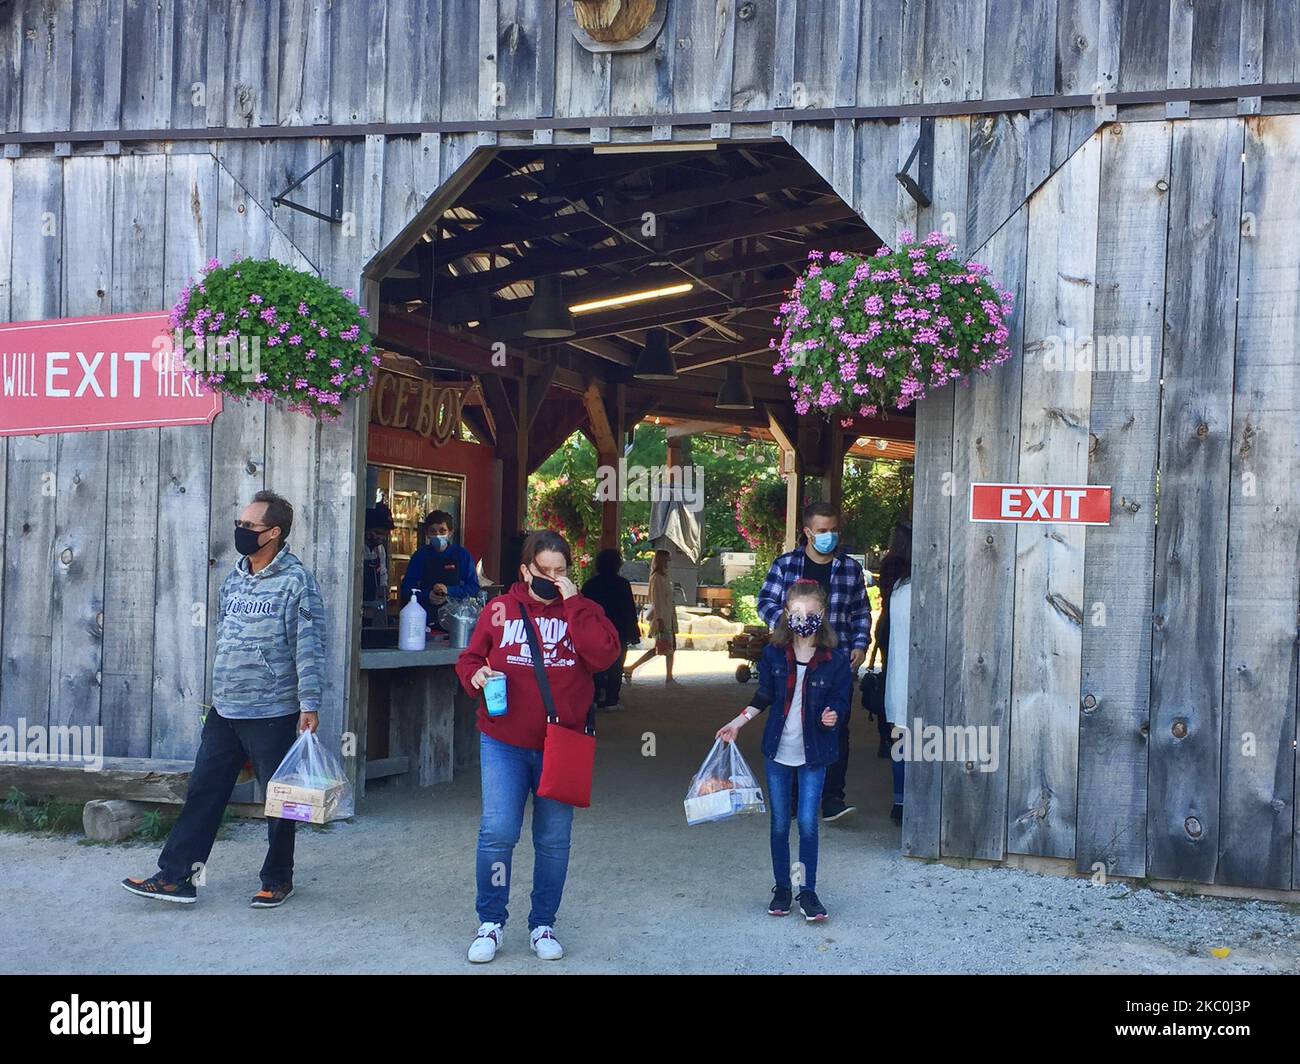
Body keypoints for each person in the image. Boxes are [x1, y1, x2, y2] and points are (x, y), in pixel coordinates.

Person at [122, 490, 325, 908]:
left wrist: (309, 704)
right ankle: (178, 877)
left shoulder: (297, 582)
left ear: (273, 533)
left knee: (279, 799)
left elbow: (309, 645)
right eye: (240, 524)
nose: (240, 531)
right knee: (204, 791)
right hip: (225, 710)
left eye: (249, 526)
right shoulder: (233, 576)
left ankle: (277, 879)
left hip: (272, 709)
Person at [455, 530, 621, 964]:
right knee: (498, 833)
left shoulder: (584, 610)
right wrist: (474, 676)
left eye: (561, 571)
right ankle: (490, 923)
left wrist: (574, 605)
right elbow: (470, 658)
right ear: (525, 570)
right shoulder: (500, 610)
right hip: (504, 740)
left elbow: (604, 656)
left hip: (562, 743)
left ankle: (542, 923)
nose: (552, 578)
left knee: (553, 839)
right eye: (544, 571)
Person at [716, 580, 850, 922]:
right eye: (795, 613)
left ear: (822, 614)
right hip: (778, 752)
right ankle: (782, 888)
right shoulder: (774, 654)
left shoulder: (836, 659)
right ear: (786, 615)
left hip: (815, 754)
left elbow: (841, 699)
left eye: (810, 613)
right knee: (779, 824)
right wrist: (737, 723)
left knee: (807, 823)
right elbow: (764, 695)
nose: (802, 619)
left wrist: (833, 714)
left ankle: (808, 892)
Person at [757, 501, 870, 821]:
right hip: (792, 658)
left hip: (835, 662)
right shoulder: (785, 566)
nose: (829, 536)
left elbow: (861, 611)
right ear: (807, 532)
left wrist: (860, 645)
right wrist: (786, 626)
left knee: (835, 725)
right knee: (792, 723)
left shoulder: (850, 569)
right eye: (822, 531)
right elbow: (764, 601)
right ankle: (791, 798)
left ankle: (832, 798)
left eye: (834, 530)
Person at [870, 519, 912, 759]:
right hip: (894, 621)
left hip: (887, 622)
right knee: (895, 679)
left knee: (891, 677)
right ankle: (891, 734)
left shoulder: (890, 563)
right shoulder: (902, 567)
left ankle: (886, 736)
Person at [581, 548, 640, 711]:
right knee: (616, 664)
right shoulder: (622, 584)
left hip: (595, 629)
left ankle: (594, 696)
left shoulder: (590, 585)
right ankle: (611, 699)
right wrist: (634, 633)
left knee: (594, 664)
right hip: (618, 629)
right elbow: (629, 610)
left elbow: (582, 609)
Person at [880, 522, 912, 823]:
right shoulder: (922, 588)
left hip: (898, 676)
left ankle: (900, 802)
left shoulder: (898, 588)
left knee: (901, 739)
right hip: (916, 676)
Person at [400, 509, 480, 624]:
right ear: (427, 534)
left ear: (450, 532)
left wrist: (449, 591)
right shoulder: (420, 556)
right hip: (424, 618)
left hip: (456, 620)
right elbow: (407, 588)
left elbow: (474, 588)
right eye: (433, 531)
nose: (437, 535)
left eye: (442, 531)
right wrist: (427, 595)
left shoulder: (462, 556)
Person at [624, 549, 678, 685]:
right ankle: (632, 668)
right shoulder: (657, 578)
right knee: (662, 647)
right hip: (663, 617)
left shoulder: (664, 577)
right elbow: (657, 600)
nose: (669, 562)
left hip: (668, 615)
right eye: (667, 560)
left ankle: (669, 675)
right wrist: (659, 619)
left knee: (669, 647)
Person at [362, 506, 394, 626]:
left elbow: (383, 574)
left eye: (385, 534)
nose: (382, 538)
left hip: (374, 604)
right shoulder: (356, 548)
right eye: (379, 533)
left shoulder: (380, 550)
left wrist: (384, 590)